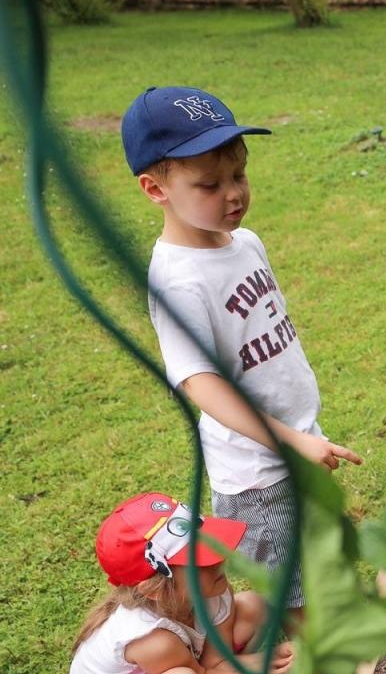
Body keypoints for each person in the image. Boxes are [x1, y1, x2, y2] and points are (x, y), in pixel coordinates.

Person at [122, 85, 363, 612]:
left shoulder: (245, 242)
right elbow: (201, 384)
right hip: (257, 474)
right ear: (154, 188)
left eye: (239, 175)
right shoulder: (179, 280)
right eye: (209, 184)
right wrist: (288, 442)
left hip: (298, 444)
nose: (233, 194)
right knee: (291, 602)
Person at [69, 493, 293, 674]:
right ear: (155, 589)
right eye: (201, 562)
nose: (220, 561)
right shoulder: (151, 639)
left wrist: (277, 660)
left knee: (252, 606)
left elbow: (216, 663)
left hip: (182, 671)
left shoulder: (212, 593)